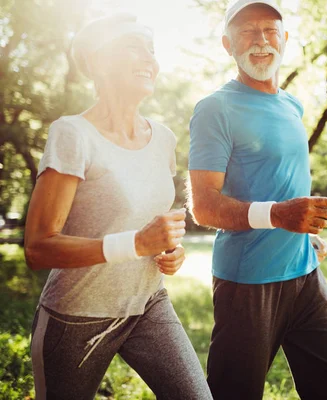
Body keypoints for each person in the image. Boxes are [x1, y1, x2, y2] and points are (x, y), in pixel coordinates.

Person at [24, 13, 213, 400]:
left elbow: (146, 225)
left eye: (152, 49)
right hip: (76, 317)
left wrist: (168, 250)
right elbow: (38, 247)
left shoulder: (163, 138)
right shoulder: (72, 134)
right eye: (133, 46)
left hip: (148, 304)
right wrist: (137, 243)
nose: (149, 58)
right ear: (98, 61)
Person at [187, 1, 327, 399]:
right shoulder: (215, 109)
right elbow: (204, 206)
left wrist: (302, 234)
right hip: (247, 284)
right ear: (227, 44)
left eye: (269, 30)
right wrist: (280, 216)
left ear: (284, 39)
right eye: (247, 32)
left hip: (305, 276)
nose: (260, 41)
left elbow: (279, 181)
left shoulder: (291, 105)